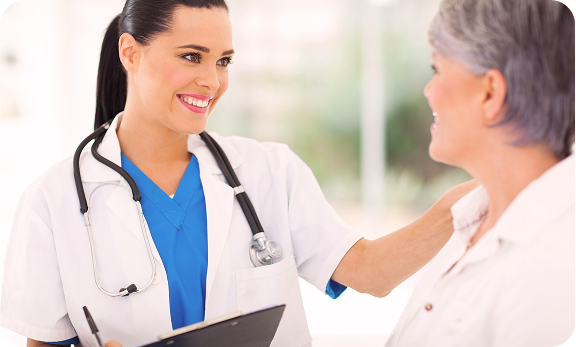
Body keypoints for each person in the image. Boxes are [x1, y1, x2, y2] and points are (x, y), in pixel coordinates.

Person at [0, 1, 475, 347]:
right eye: (191, 56)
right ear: (130, 53)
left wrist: (476, 196)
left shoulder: (270, 171)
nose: (212, 81)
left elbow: (371, 273)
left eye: (223, 61)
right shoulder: (53, 201)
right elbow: (42, 343)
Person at [384, 0, 575, 346]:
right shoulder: (473, 221)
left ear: (490, 93)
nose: (429, 91)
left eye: (436, 70)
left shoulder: (553, 268)